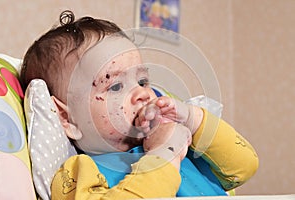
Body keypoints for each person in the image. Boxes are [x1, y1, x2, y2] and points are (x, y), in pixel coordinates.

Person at [20, 10, 258, 199]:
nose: (143, 94)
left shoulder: (184, 143)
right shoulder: (79, 172)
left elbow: (245, 166)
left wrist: (191, 118)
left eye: (142, 81)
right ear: (66, 118)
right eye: (115, 87)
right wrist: (165, 153)